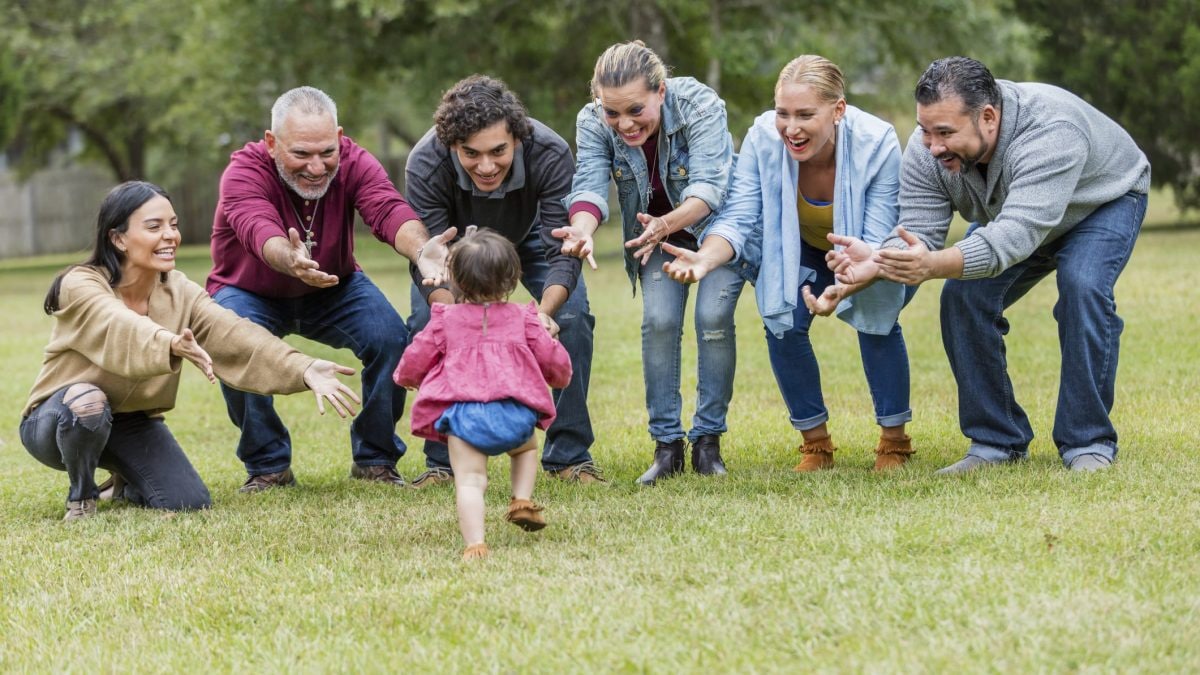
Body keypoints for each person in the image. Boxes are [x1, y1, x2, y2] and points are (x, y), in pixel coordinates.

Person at [830, 56, 1150, 473]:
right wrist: (877, 259)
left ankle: (1088, 440)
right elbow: (920, 231)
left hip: (1102, 202)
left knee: (1083, 285)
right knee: (963, 297)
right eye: (926, 130)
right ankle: (996, 442)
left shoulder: (1052, 133)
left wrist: (933, 265)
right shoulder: (929, 148)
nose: (933, 145)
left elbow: (1014, 236)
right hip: (1020, 212)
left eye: (945, 132)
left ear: (988, 117)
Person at [20, 181, 361, 521]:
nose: (170, 235)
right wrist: (167, 342)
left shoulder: (179, 290)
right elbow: (118, 323)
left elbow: (234, 334)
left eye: (173, 224)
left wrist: (302, 367)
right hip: (60, 420)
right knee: (88, 400)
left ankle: (124, 480)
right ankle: (82, 496)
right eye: (154, 226)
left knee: (187, 500)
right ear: (118, 238)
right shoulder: (81, 284)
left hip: (128, 422)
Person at [662, 55, 917, 471]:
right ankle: (816, 444)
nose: (790, 128)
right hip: (799, 247)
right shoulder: (764, 137)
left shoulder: (878, 141)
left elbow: (880, 235)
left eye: (804, 115)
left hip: (869, 249)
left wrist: (851, 280)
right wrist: (706, 257)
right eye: (783, 113)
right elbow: (741, 214)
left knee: (878, 319)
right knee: (782, 323)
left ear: (838, 110)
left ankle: (894, 440)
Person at [208, 86, 454, 492]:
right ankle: (268, 465)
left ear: (339, 138)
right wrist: (289, 259)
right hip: (249, 290)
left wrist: (420, 250)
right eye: (301, 155)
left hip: (335, 288)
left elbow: (386, 207)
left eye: (327, 152)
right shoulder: (243, 170)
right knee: (232, 341)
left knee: (390, 337)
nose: (317, 167)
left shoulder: (355, 161)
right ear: (271, 143)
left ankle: (375, 458)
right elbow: (256, 227)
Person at [555, 40, 746, 484]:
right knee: (658, 323)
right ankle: (667, 448)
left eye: (635, 110)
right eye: (612, 112)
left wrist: (664, 224)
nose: (623, 123)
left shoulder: (699, 103)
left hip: (715, 229)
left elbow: (709, 189)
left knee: (713, 317)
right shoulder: (592, 119)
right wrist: (582, 228)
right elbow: (587, 184)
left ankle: (707, 443)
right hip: (655, 236)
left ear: (661, 91)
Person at [403, 74, 602, 487]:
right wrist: (456, 319)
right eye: (470, 154)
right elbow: (430, 259)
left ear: (517, 137)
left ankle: (569, 455)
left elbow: (561, 250)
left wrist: (545, 317)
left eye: (498, 151)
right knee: (429, 325)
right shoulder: (426, 162)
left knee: (575, 317)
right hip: (454, 247)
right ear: (451, 146)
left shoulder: (549, 152)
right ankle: (443, 461)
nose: (487, 166)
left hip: (529, 235)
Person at [395, 229, 572, 560]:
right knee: (526, 450)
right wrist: (560, 377)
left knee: (470, 481)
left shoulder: (444, 319)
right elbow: (551, 358)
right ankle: (521, 498)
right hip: (516, 416)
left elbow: (417, 354)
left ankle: (475, 545)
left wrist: (406, 377)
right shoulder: (525, 318)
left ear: (455, 280)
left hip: (466, 420)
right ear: (512, 278)